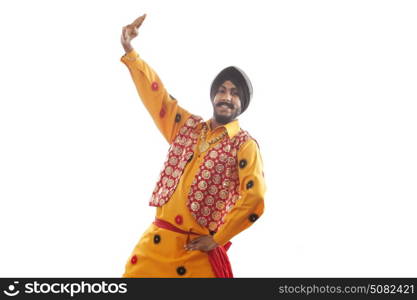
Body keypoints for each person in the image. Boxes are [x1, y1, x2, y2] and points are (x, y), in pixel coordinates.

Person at [120, 14, 266, 278]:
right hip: (155, 247)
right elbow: (158, 98)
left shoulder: (244, 146)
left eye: (235, 94)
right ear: (213, 95)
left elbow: (255, 198)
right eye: (222, 90)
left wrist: (218, 239)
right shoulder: (186, 127)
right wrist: (131, 53)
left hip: (195, 254)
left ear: (242, 104)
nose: (227, 97)